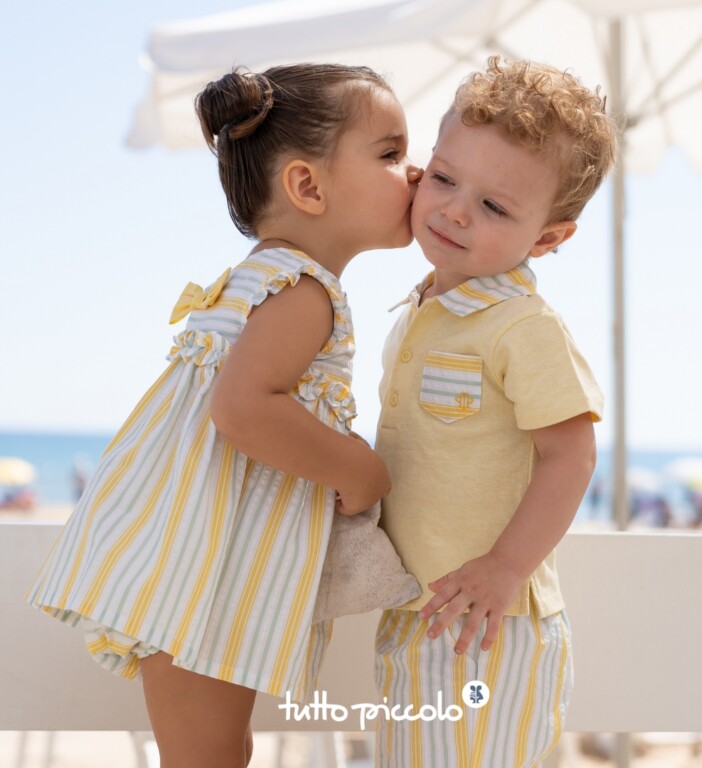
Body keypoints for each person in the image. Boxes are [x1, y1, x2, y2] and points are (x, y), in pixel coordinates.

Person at [26, 63, 421, 768]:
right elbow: (243, 409)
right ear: (307, 186)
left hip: (196, 561)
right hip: (206, 577)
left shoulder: (265, 278)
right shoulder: (302, 289)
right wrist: (359, 469)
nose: (414, 172)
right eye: (390, 153)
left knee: (218, 752)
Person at [374, 57, 618, 767]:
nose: (455, 210)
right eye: (444, 178)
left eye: (495, 207)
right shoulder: (421, 313)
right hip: (421, 608)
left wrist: (507, 566)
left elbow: (571, 455)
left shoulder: (520, 325)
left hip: (488, 622)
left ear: (547, 238)